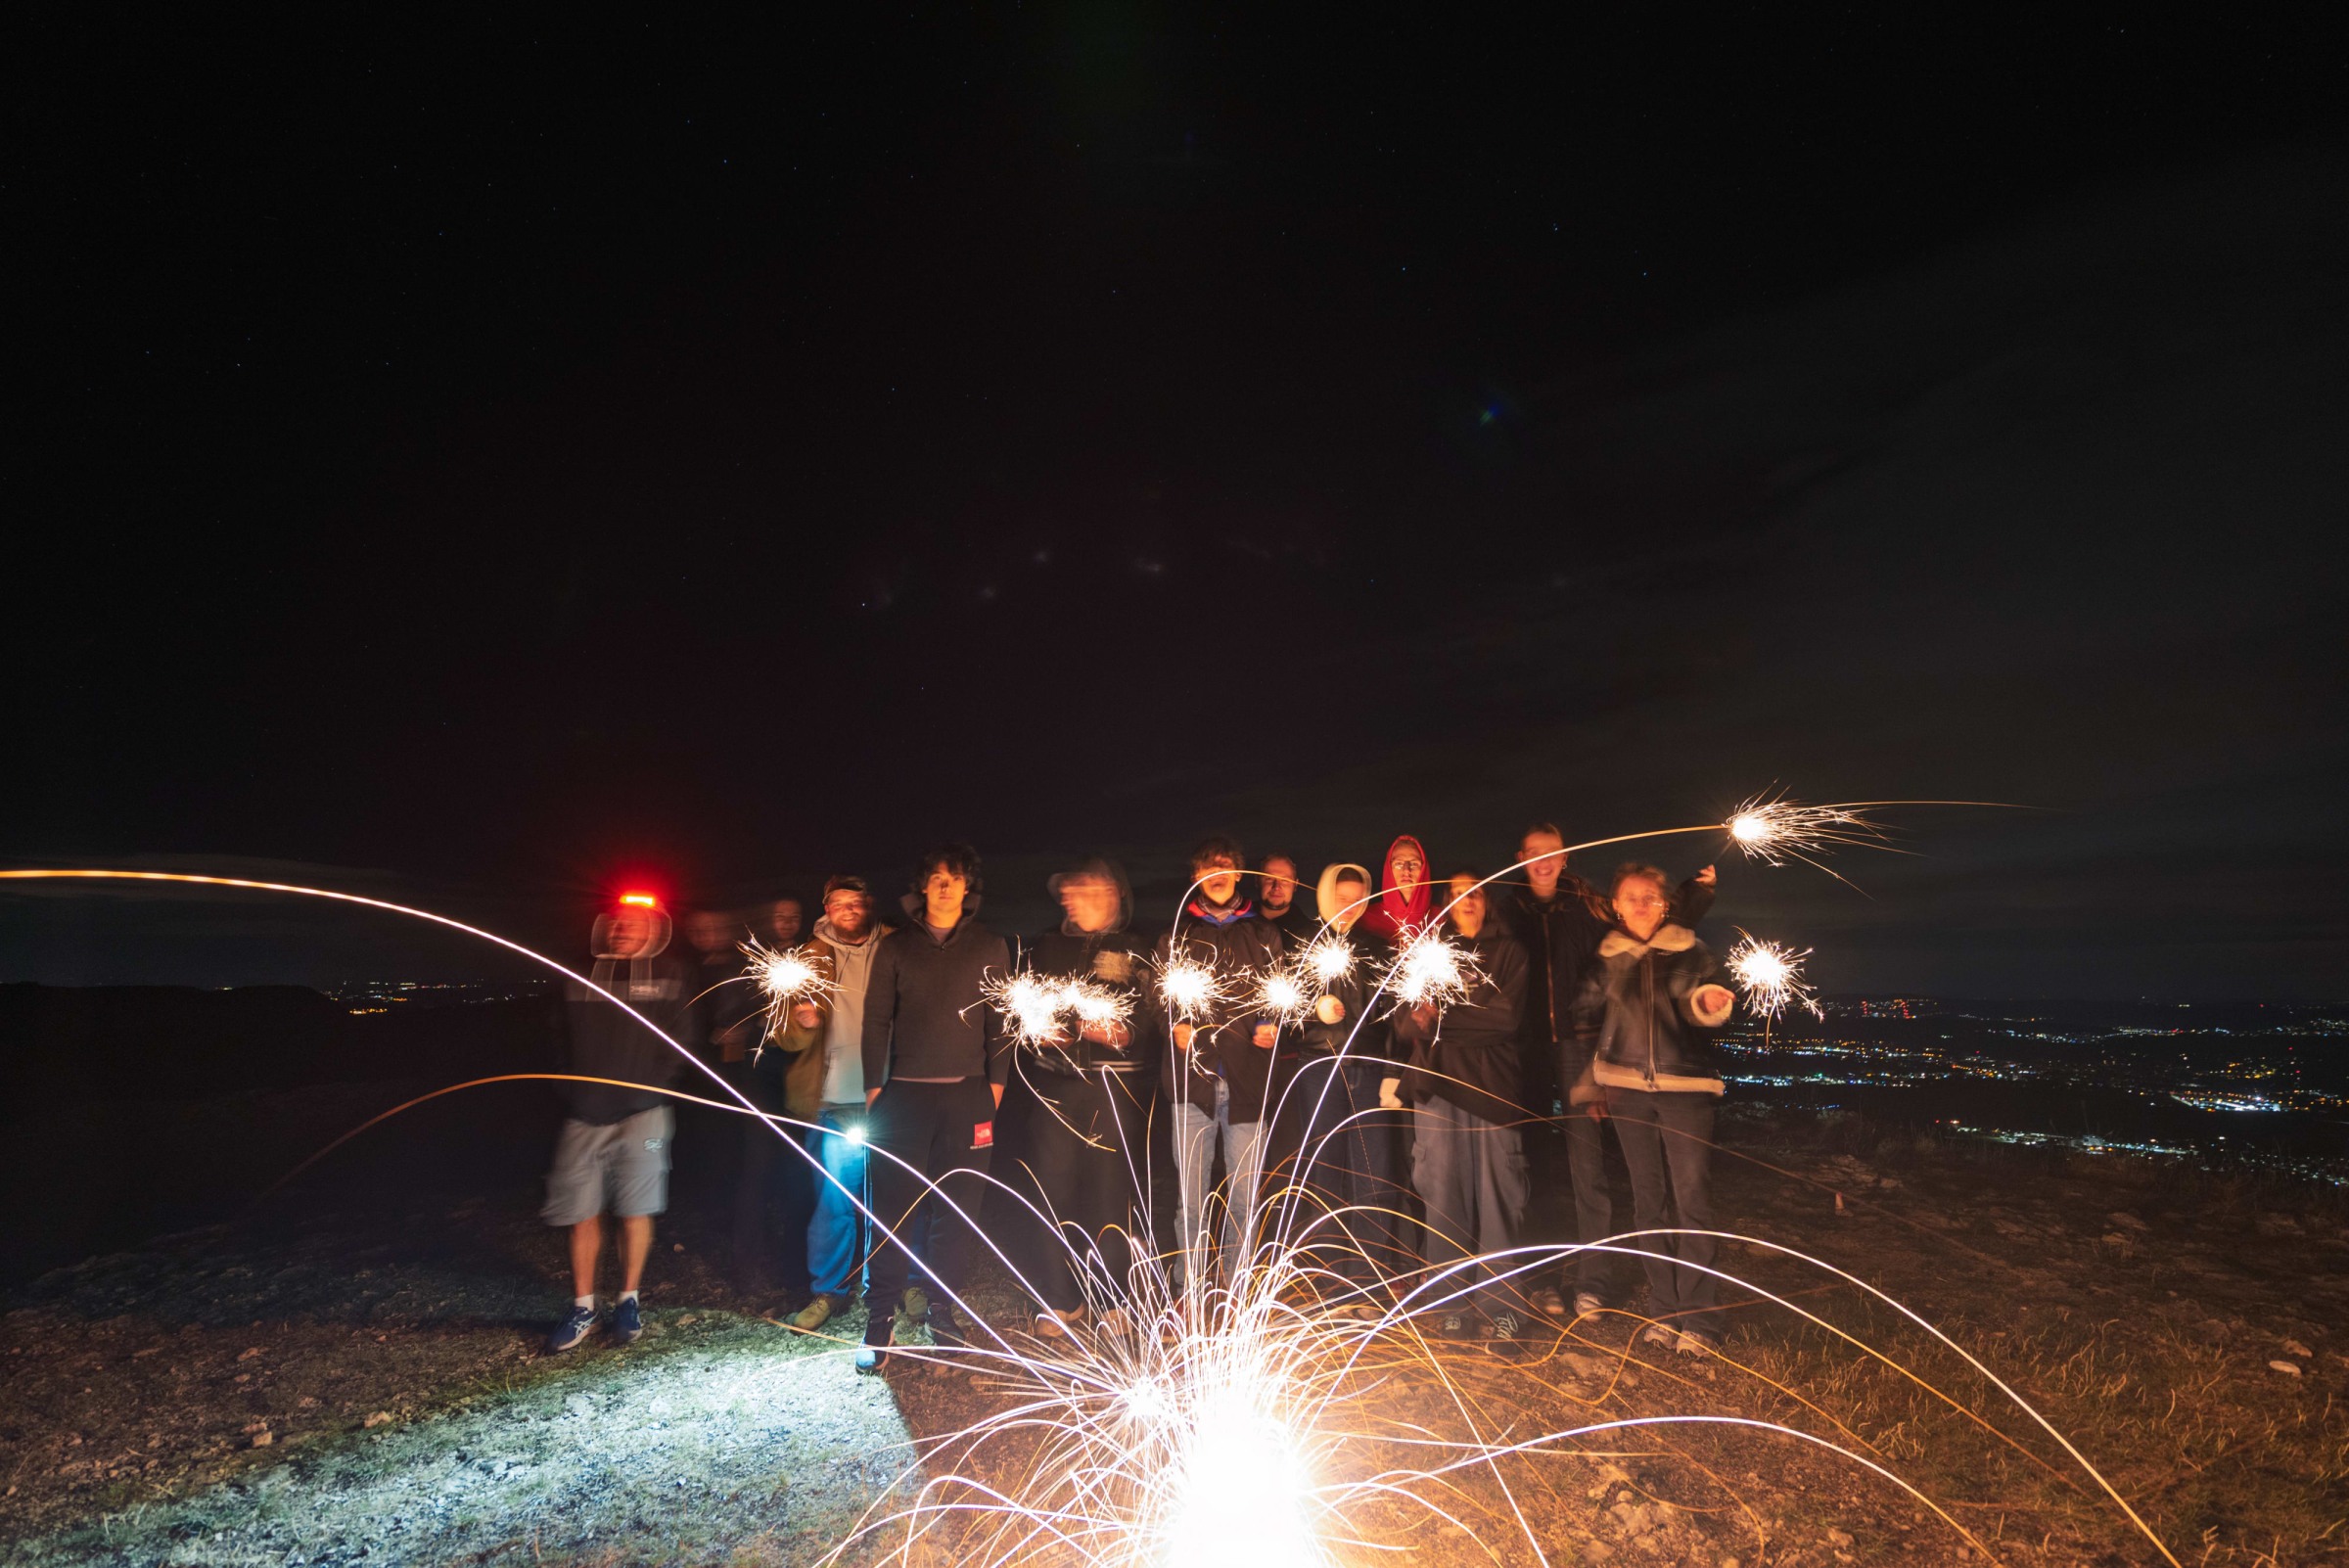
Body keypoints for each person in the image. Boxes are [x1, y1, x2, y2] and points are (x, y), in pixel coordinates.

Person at [1505, 823, 1715, 1320]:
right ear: (1520, 858)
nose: (1542, 861)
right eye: (1533, 853)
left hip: (1580, 1046)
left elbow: (1644, 922)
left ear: (1566, 857)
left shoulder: (1589, 905)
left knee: (1588, 1170)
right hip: (1527, 1050)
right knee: (1531, 1165)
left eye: (1552, 853)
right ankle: (1540, 1279)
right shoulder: (1506, 909)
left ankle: (1591, 1282)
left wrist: (1694, 895)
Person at [855, 845, 1012, 1370]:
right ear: (922, 886)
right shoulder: (896, 946)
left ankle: (942, 1310)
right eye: (937, 877)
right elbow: (876, 1019)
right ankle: (880, 1317)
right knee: (891, 1209)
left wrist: (995, 1086)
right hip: (903, 1097)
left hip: (969, 1096)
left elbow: (1001, 1023)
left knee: (957, 1209)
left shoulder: (990, 945)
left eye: (956, 877)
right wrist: (874, 1088)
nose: (946, 886)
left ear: (968, 887)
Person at [1578, 862, 1735, 1357]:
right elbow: (1589, 1017)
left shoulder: (1692, 950)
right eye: (1631, 897)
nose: (1642, 904)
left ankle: (1700, 1319)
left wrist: (1708, 1003)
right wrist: (1591, 1079)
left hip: (1685, 1089)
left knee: (1692, 1202)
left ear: (1666, 904)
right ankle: (1664, 1311)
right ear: (1616, 906)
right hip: (1625, 1090)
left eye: (1650, 896)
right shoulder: (1607, 959)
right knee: (1648, 1203)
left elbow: (1698, 1003)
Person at [544, 895, 703, 1353]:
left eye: (633, 923)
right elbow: (555, 1033)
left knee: (637, 1208)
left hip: (645, 1118)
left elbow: (682, 1039)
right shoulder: (579, 970)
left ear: (653, 928)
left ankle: (628, 1300)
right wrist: (570, 1088)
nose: (622, 929)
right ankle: (583, 1306)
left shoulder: (671, 973)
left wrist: (651, 1089)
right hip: (583, 1115)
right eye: (617, 922)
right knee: (581, 1211)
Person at [1011, 857, 1158, 1339]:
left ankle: (1114, 1300)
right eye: (1070, 892)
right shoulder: (1046, 946)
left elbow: (1147, 1016)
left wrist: (1121, 1033)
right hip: (1055, 1088)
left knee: (1110, 1192)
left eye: (1087, 890)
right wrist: (1038, 1031)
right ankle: (1060, 1299)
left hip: (1114, 1089)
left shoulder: (1136, 948)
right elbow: (1024, 1010)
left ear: (1115, 894)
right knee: (1050, 1190)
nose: (1074, 901)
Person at [1387, 871, 1531, 1347]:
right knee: (1443, 1197)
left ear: (1487, 901)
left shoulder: (1510, 952)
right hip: (1438, 1089)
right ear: (1446, 904)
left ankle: (1504, 1307)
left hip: (1492, 1090)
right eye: (1456, 894)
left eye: (1475, 893)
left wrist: (1438, 1019)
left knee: (1498, 1200)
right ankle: (1450, 1305)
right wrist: (1421, 1019)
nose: (1465, 901)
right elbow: (1405, 1026)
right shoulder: (1430, 953)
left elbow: (1504, 1020)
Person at [1163, 834, 1287, 1295]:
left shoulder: (1263, 934)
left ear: (1237, 874)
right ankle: (1191, 1290)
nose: (1217, 874)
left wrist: (1271, 1024)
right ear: (1196, 877)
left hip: (1247, 1083)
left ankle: (1238, 1290)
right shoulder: (1177, 935)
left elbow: (1277, 995)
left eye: (1225, 865)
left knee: (1244, 1199)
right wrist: (1174, 1023)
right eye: (1207, 867)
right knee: (1191, 1201)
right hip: (1191, 1085)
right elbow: (1160, 998)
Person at [1287, 861, 1406, 1313]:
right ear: (1324, 896)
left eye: (1359, 899)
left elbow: (1393, 1014)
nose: (1351, 907)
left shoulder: (1377, 948)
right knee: (1325, 1173)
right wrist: (1313, 1011)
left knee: (1374, 1174)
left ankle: (1369, 1277)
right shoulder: (1303, 945)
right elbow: (1281, 1007)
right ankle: (1331, 1278)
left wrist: (1392, 1070)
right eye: (1342, 898)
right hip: (1319, 1067)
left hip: (1368, 1067)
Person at [778, 876, 889, 1333]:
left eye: (856, 902)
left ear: (869, 904)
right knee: (833, 1204)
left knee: (897, 1200)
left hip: (891, 1097)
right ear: (826, 908)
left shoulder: (896, 948)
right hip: (832, 1101)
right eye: (838, 903)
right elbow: (784, 1037)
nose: (848, 909)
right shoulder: (807, 957)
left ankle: (900, 1286)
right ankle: (829, 1291)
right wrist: (801, 1023)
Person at [1358, 834, 1433, 943]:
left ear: (1424, 869)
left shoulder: (1441, 919)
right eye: (1398, 864)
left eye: (1414, 864)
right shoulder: (1365, 919)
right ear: (1388, 869)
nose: (1406, 870)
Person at [1256, 852, 1318, 945]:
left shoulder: (1309, 937)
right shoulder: (1238, 921)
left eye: (1285, 880)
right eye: (1269, 878)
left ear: (1295, 885)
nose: (1277, 887)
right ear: (1257, 881)